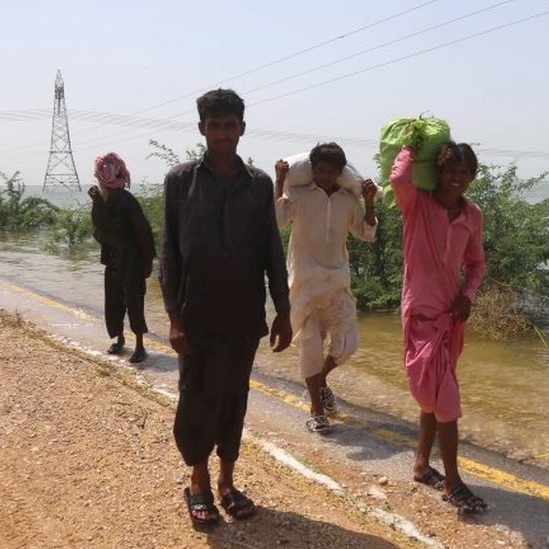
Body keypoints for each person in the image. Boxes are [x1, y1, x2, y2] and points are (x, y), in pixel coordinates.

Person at [160, 88, 292, 527]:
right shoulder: (180, 181)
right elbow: (170, 257)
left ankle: (226, 482)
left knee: (234, 398)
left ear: (241, 128)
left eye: (229, 125)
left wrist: (284, 311)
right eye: (213, 126)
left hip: (243, 316)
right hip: (196, 315)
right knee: (196, 399)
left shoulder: (258, 184)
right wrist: (175, 320)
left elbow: (272, 251)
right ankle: (197, 482)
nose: (221, 133)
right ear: (202, 129)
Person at [389, 141, 489, 514]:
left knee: (434, 395)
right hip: (419, 316)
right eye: (450, 171)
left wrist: (469, 295)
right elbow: (398, 177)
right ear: (438, 172)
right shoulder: (416, 206)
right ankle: (453, 482)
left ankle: (420, 465)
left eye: (464, 173)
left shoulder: (472, 215)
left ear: (471, 177)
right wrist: (410, 148)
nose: (457, 179)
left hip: (451, 317)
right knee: (446, 400)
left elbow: (477, 263)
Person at [273, 143, 378, 434]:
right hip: (304, 284)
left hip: (336, 283)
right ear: (313, 169)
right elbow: (278, 221)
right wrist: (280, 181)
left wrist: (369, 202)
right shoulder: (298, 194)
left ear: (339, 172)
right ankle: (317, 411)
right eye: (320, 170)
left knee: (347, 345)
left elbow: (366, 233)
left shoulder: (347, 201)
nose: (325, 176)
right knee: (311, 346)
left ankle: (319, 384)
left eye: (332, 171)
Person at [88, 152, 155, 364]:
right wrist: (97, 202)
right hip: (114, 261)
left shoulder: (127, 201)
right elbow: (99, 230)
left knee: (134, 302)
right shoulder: (103, 201)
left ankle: (140, 347)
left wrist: (147, 262)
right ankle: (119, 340)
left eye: (101, 180)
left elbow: (144, 233)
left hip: (131, 261)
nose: (100, 184)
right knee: (114, 302)